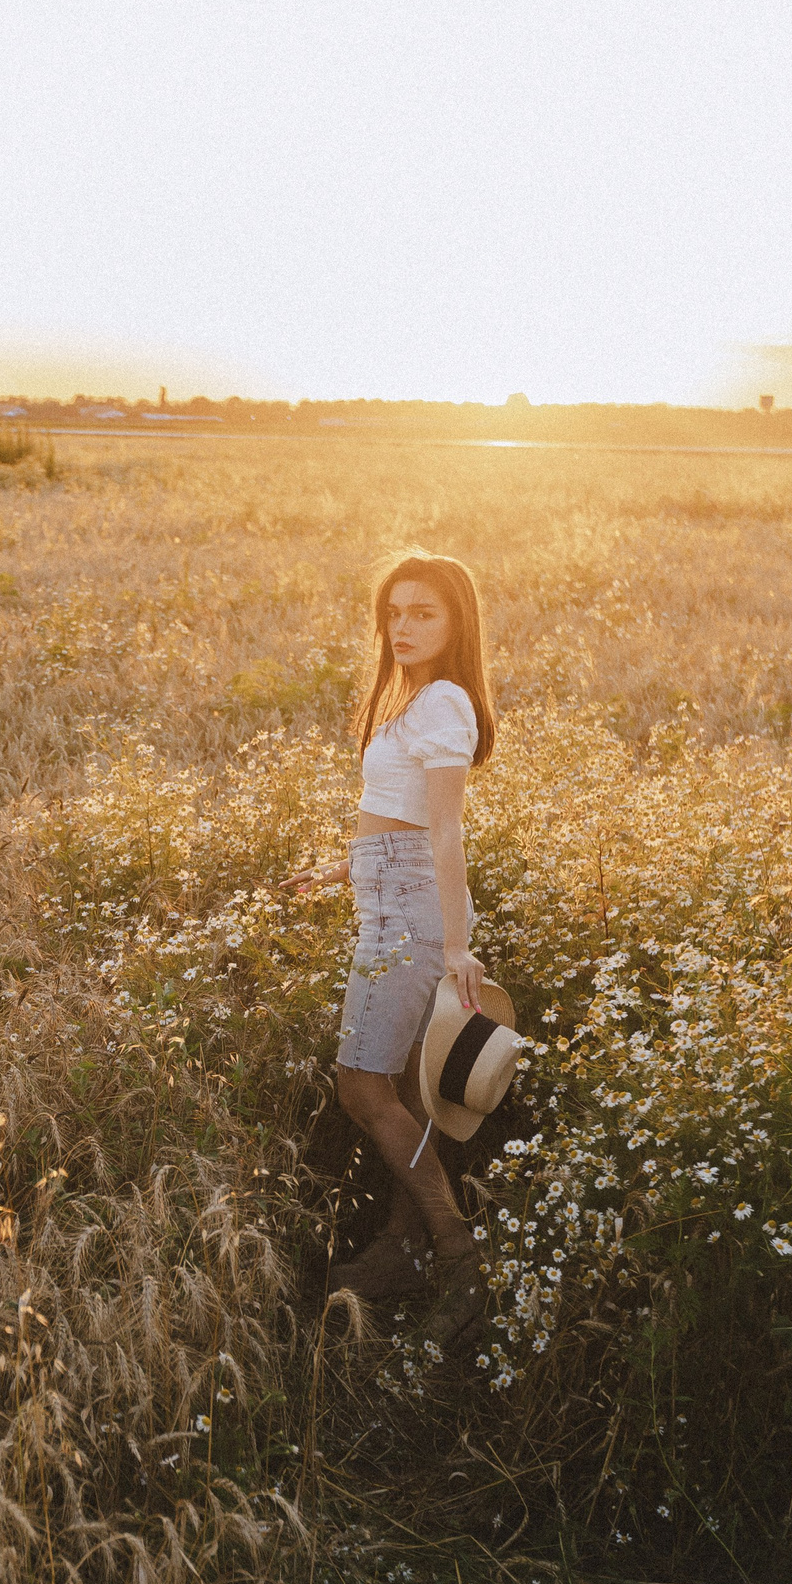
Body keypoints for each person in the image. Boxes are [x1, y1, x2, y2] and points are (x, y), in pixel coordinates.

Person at [280, 549, 497, 1350]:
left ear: (456, 623)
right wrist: (343, 864)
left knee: (361, 1086)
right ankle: (405, 1250)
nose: (402, 627)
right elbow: (397, 812)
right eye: (394, 612)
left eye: (423, 614)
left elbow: (444, 830)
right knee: (406, 1087)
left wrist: (457, 947)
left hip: (409, 914)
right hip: (392, 893)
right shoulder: (417, 699)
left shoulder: (443, 703)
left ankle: (457, 1256)